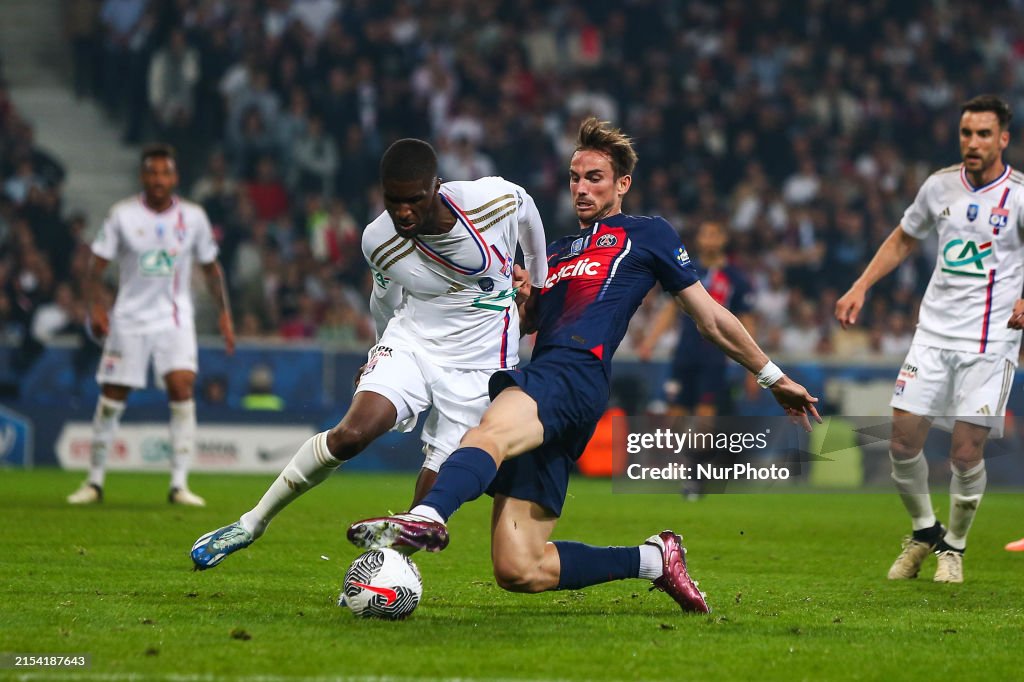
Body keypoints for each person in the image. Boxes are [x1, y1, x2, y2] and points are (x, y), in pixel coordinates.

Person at [347, 118, 820, 614]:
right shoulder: (555, 254)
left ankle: (427, 516)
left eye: (594, 177)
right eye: (574, 177)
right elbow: (521, 323)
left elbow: (710, 319)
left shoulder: (647, 234)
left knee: (486, 433)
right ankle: (654, 559)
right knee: (519, 569)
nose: (581, 187)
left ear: (622, 184)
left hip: (575, 372)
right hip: (549, 381)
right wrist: (524, 298)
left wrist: (773, 376)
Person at [190, 138, 547, 569]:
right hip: (412, 343)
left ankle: (391, 572)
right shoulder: (379, 239)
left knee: (433, 495)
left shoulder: (489, 200)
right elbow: (383, 303)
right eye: (393, 201)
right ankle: (251, 523)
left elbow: (528, 211)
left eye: (414, 200)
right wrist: (380, 354)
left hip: (481, 362)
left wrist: (539, 289)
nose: (403, 212)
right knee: (351, 435)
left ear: (437, 186)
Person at [834, 95, 1024, 583]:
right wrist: (861, 285)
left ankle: (954, 549)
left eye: (984, 134)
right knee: (901, 441)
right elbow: (903, 237)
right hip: (933, 335)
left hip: (990, 342)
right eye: (966, 133)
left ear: (1003, 138)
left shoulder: (1019, 195)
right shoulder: (939, 187)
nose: (973, 143)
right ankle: (924, 531)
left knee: (964, 453)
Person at [67, 144, 235, 506]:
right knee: (113, 397)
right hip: (128, 318)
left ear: (174, 178)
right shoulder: (122, 216)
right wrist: (95, 307)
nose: (158, 179)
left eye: (164, 173)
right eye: (152, 172)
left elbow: (210, 268)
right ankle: (93, 482)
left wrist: (223, 314)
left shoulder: (193, 217)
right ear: (143, 176)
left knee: (181, 386)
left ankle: (179, 484)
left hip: (174, 319)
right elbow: (95, 268)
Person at [636, 219, 757, 416]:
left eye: (714, 235)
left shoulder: (736, 278)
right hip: (684, 352)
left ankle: (700, 448)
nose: (709, 240)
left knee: (704, 418)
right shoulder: (685, 270)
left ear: (723, 239)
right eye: (705, 235)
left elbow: (748, 322)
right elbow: (671, 309)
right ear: (698, 239)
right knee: (675, 415)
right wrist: (650, 342)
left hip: (714, 356)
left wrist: (752, 371)